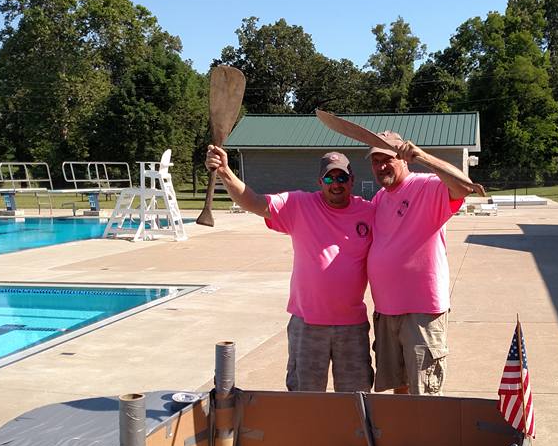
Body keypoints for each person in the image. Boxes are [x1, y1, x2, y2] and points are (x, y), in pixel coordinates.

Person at [205, 145, 375, 392]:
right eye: (329, 177)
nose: (336, 183)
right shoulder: (299, 204)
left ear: (352, 180)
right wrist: (224, 171)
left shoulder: (369, 212)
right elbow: (253, 202)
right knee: (304, 399)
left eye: (342, 177)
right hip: (307, 324)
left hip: (352, 326)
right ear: (320, 181)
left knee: (356, 399)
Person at [365, 131, 482, 395]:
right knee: (400, 387)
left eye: (388, 158)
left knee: (425, 393)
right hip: (386, 311)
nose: (381, 165)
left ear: (403, 159)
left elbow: (465, 186)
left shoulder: (426, 186)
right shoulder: (379, 199)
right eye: (375, 160)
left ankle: (425, 437)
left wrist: (423, 157)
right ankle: (405, 437)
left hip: (422, 312)